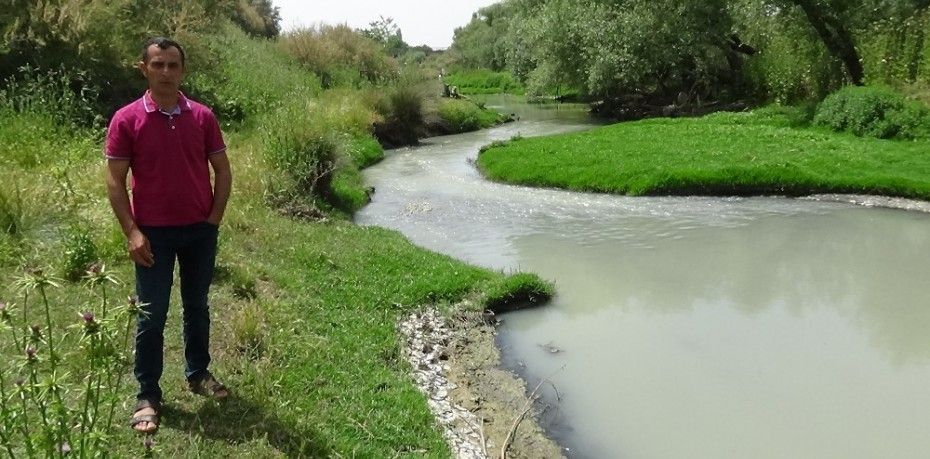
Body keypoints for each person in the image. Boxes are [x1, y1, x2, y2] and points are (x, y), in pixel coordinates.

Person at [105, 37, 232, 434]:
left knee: (197, 305)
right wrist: (132, 232)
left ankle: (198, 373)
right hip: (152, 235)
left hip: (199, 231)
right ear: (143, 68)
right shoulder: (126, 119)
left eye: (172, 65)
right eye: (157, 64)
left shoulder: (202, 117)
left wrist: (213, 219)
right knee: (151, 314)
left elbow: (223, 172)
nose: (165, 72)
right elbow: (115, 181)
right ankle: (147, 395)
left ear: (183, 70)